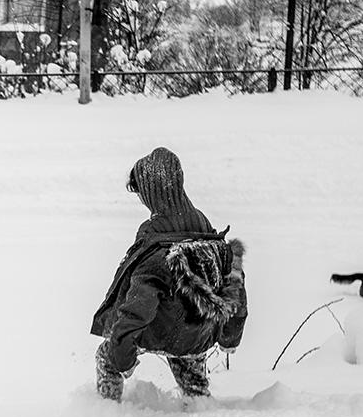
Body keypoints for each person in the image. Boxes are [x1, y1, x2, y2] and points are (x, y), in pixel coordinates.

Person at [90, 147, 247, 402]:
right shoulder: (207, 231)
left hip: (159, 330)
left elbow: (138, 307)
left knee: (106, 358)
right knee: (189, 364)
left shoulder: (155, 247)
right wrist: (230, 335)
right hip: (198, 333)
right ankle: (199, 406)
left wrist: (123, 356)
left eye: (142, 192)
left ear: (153, 192)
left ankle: (108, 413)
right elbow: (235, 283)